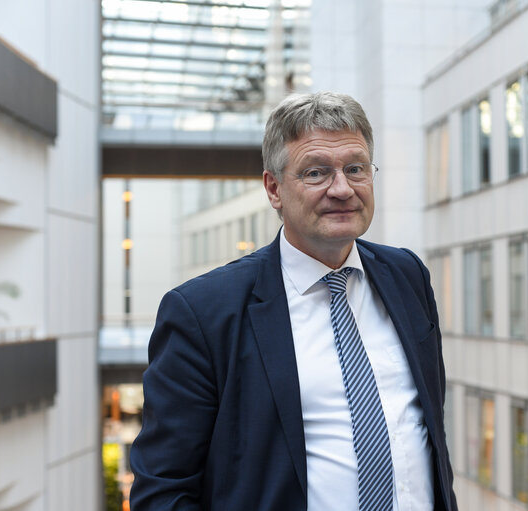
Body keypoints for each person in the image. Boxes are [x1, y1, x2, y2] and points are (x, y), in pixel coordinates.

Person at [129, 92, 458, 511]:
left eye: (355, 168)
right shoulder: (203, 313)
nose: (342, 189)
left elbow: (426, 435)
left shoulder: (407, 276)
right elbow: (163, 491)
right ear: (274, 188)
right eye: (316, 173)